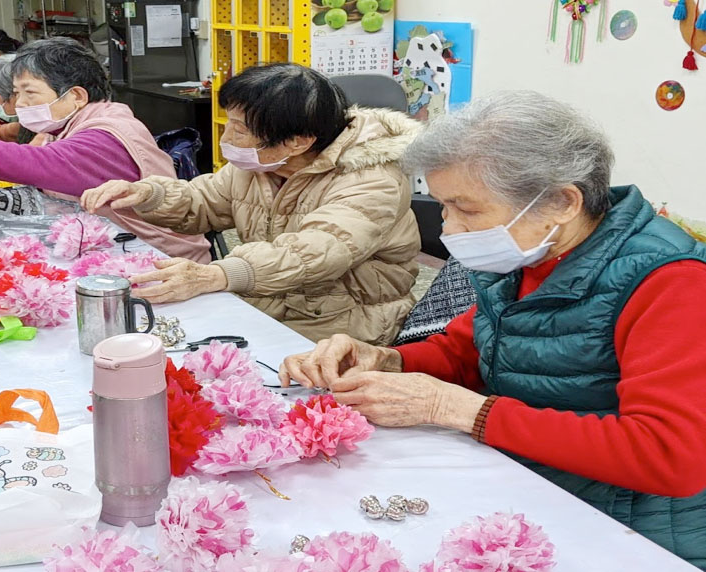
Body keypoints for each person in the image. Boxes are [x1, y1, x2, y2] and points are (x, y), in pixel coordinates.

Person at [280, 92, 706, 568]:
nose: (450, 228)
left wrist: (467, 412)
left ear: (562, 202)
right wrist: (388, 360)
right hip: (529, 480)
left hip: (629, 522)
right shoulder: (529, 250)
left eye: (468, 209)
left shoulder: (672, 282)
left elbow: (670, 456)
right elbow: (470, 350)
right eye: (443, 206)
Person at [82, 63, 422, 343]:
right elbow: (206, 200)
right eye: (229, 123)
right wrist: (149, 194)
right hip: (274, 302)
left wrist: (218, 274)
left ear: (298, 142)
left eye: (239, 130)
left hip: (343, 323)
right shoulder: (262, 165)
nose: (226, 139)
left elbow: (314, 252)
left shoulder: (371, 179)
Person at [0, 38, 212, 263]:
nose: (20, 105)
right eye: (16, 93)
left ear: (75, 95)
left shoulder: (108, 132)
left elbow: (39, 163)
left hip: (163, 259)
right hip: (117, 244)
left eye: (30, 93)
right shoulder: (65, 125)